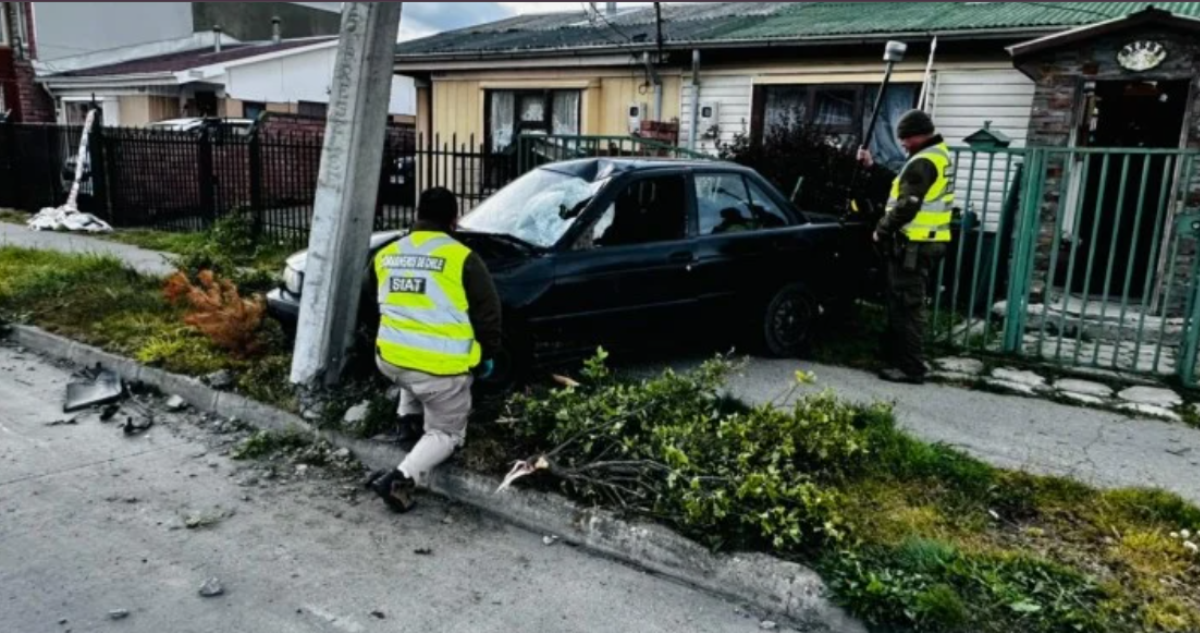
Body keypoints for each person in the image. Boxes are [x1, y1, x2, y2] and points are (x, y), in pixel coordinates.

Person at [367, 187, 503, 512]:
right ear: (454, 220)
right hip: (438, 373)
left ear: (417, 215)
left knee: (414, 372)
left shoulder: (386, 254)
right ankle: (400, 480)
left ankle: (407, 420)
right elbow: (489, 314)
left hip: (389, 360)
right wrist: (485, 355)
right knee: (448, 433)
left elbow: (373, 303)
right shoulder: (462, 258)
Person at [857, 109, 954, 384]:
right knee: (903, 301)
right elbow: (901, 186)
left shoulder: (923, 161)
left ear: (919, 135)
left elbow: (907, 204)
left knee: (907, 306)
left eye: (905, 139)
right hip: (928, 242)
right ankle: (895, 355)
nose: (902, 144)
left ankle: (911, 368)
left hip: (915, 244)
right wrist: (873, 166)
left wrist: (882, 229)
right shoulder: (937, 155)